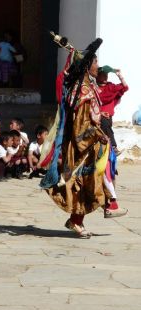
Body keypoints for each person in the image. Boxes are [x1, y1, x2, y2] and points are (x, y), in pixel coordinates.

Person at [40, 34, 127, 238]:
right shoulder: (84, 91)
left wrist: (99, 117)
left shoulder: (87, 86)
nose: (98, 65)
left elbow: (87, 116)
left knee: (92, 182)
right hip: (83, 146)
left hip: (88, 146)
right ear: (88, 65)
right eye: (95, 61)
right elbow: (81, 125)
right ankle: (82, 218)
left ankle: (99, 210)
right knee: (81, 184)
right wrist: (98, 133)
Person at [96, 66, 128, 155]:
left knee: (107, 127)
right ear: (98, 76)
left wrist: (120, 76)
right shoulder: (94, 88)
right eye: (103, 75)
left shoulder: (110, 87)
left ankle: (113, 148)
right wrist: (99, 113)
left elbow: (125, 87)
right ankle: (113, 147)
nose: (106, 76)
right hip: (96, 118)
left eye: (106, 75)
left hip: (108, 119)